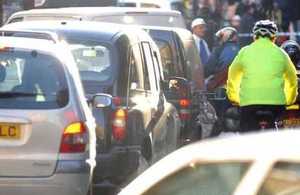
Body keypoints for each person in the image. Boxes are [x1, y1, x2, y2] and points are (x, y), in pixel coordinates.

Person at [226, 20, 298, 132]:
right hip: (276, 104)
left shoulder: (245, 51)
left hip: (249, 103)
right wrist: (289, 99)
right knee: (278, 135)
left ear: (254, 36)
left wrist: (234, 97)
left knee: (246, 136)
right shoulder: (281, 53)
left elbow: (233, 75)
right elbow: (292, 79)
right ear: (274, 37)